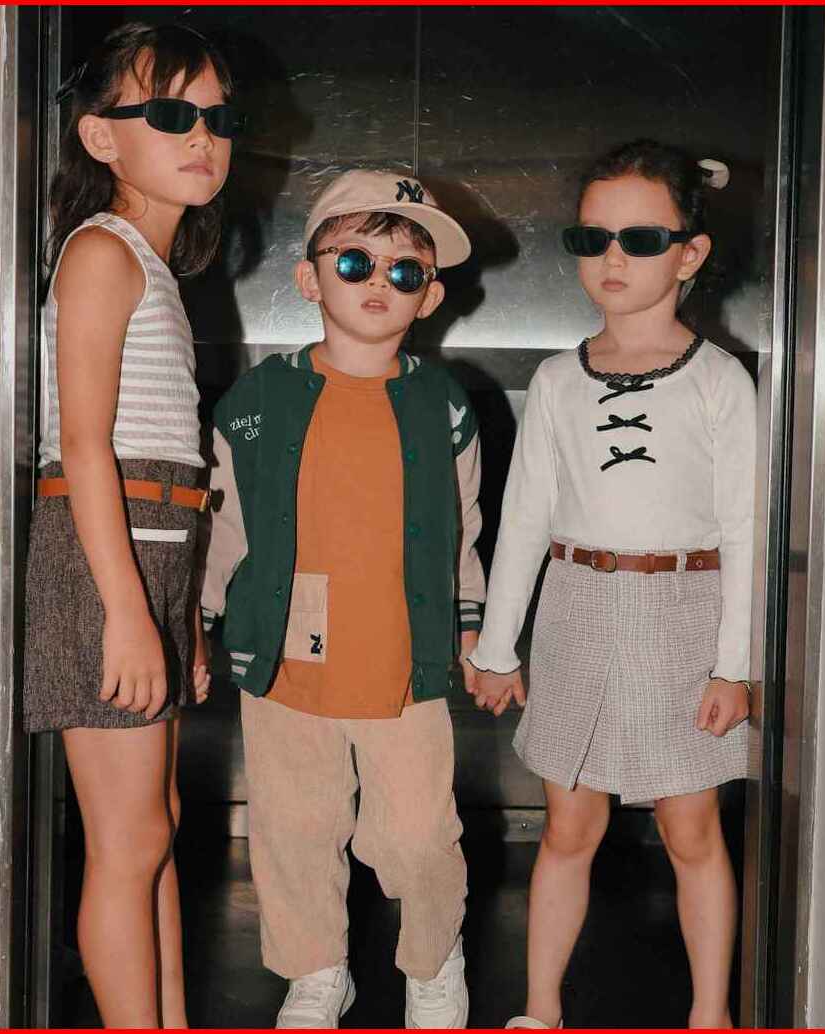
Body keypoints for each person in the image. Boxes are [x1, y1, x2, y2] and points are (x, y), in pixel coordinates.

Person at [466, 139, 755, 1029]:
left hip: (684, 613)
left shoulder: (720, 380)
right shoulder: (557, 380)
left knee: (690, 831)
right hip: (577, 609)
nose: (612, 259)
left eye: (640, 238)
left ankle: (711, 1014)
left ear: (690, 253)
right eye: (592, 239)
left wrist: (734, 667)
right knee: (568, 828)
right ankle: (540, 1009)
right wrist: (497, 647)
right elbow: (523, 519)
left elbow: (746, 531)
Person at [201, 169, 485, 1028]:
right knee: (294, 824)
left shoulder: (443, 406)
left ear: (430, 295)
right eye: (355, 262)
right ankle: (316, 968)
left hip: (404, 653)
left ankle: (432, 959)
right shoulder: (256, 402)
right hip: (286, 647)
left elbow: (464, 527)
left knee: (418, 834)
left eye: (405, 271)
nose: (378, 283)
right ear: (309, 277)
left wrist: (475, 630)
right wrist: (198, 619)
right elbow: (227, 524)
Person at [22, 22, 241, 1027]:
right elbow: (83, 448)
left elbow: (165, 475)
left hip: (150, 556)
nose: (202, 136)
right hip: (101, 564)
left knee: (157, 825)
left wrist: (176, 615)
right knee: (128, 839)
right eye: (170, 113)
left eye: (217, 118)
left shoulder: (152, 265)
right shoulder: (102, 253)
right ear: (101, 136)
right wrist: (123, 613)